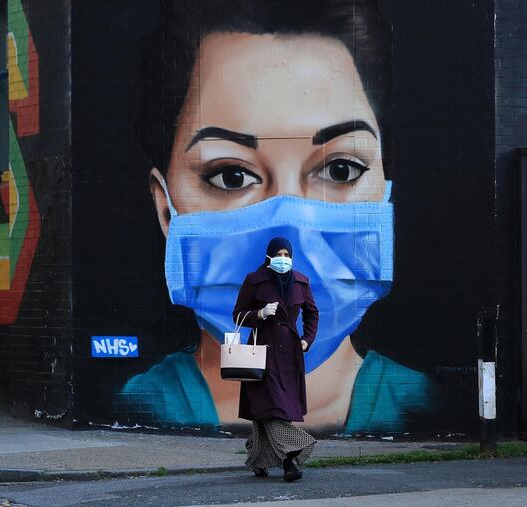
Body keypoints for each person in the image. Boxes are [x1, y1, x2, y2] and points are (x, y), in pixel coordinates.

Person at [121, 0, 432, 434]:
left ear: (385, 191)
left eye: (339, 169)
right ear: (166, 208)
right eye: (231, 175)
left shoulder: (420, 402)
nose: (289, 226)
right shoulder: (142, 405)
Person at [232, 237, 317, 481]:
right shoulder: (254, 280)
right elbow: (237, 315)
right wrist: (259, 313)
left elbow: (313, 314)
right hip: (262, 350)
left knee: (266, 409)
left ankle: (258, 460)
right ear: (269, 256)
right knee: (272, 406)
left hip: (290, 352)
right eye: (279, 254)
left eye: (287, 255)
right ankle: (290, 459)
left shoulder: (301, 281)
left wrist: (306, 339)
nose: (284, 259)